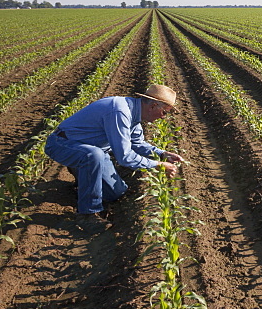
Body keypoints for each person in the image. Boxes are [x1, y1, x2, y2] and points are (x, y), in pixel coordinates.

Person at [44, 84, 185, 223]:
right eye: (164, 112)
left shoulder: (135, 116)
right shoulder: (120, 111)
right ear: (153, 106)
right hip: (62, 143)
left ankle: (82, 171)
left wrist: (162, 154)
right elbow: (125, 157)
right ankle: (87, 214)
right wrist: (158, 165)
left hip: (93, 149)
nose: (163, 117)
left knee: (115, 193)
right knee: (93, 155)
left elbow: (137, 143)